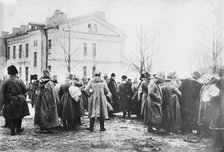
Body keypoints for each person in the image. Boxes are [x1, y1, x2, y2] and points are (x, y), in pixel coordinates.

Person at [0, 65, 29, 135]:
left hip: (10, 100)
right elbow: (25, 90)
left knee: (10, 115)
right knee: (20, 115)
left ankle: (13, 130)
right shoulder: (20, 80)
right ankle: (18, 129)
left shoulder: (6, 81)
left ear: (9, 73)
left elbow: (2, 92)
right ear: (15, 72)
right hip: (20, 99)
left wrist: (2, 103)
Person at [209, 67, 224, 151]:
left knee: (219, 124)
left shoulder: (219, 81)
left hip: (220, 105)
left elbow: (215, 94)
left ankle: (218, 144)